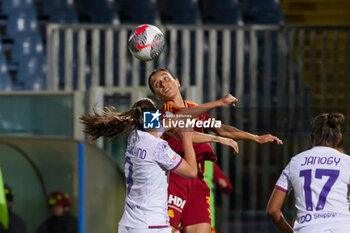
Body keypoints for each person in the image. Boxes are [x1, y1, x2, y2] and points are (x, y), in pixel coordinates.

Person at [148, 68, 283, 233]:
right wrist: (217, 133)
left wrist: (255, 137)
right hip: (174, 180)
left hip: (198, 182)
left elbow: (222, 128)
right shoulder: (157, 116)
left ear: (177, 82)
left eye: (165, 78)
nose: (163, 83)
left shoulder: (196, 109)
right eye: (157, 84)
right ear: (157, 96)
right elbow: (184, 132)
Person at [80, 96, 239, 233]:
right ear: (155, 117)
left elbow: (178, 118)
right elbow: (191, 172)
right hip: (152, 225)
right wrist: (187, 139)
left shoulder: (135, 137)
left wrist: (217, 129)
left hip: (129, 225)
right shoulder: (158, 148)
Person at [266, 113, 350, 233]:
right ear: (339, 139)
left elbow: (272, 210)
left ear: (311, 138)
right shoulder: (347, 162)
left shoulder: (295, 162)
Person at [203, 161, 233, 233]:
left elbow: (228, 187)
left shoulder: (209, 165)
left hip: (206, 214)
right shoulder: (182, 161)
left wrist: (224, 185)